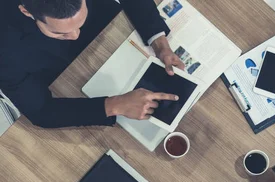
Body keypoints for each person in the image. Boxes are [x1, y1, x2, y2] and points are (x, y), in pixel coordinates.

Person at [0, 0, 186, 128]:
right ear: (26, 11)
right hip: (67, 80)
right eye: (60, 33)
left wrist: (159, 42)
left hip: (117, 29)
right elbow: (41, 111)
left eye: (78, 23)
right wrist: (114, 105)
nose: (75, 35)